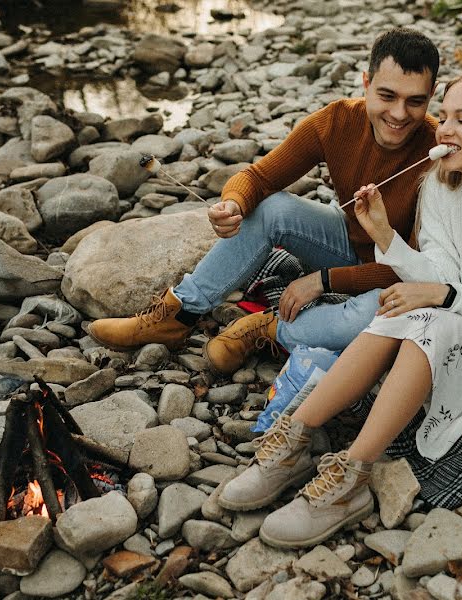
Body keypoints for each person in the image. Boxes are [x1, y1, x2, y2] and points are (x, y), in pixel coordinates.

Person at [217, 72, 462, 549]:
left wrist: (440, 297)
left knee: (427, 315)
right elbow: (440, 273)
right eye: (445, 116)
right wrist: (386, 236)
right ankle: (293, 442)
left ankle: (352, 479)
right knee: (398, 308)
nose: (445, 129)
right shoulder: (440, 188)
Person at [87, 28, 440, 374]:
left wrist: (324, 281)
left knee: (382, 313)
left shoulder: (441, 156)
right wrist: (234, 204)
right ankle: (178, 314)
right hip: (348, 239)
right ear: (366, 82)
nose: (398, 114)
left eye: (415, 101)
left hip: (401, 276)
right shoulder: (336, 121)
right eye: (387, 95)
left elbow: (413, 270)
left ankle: (266, 330)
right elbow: (257, 178)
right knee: (273, 207)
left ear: (432, 94)